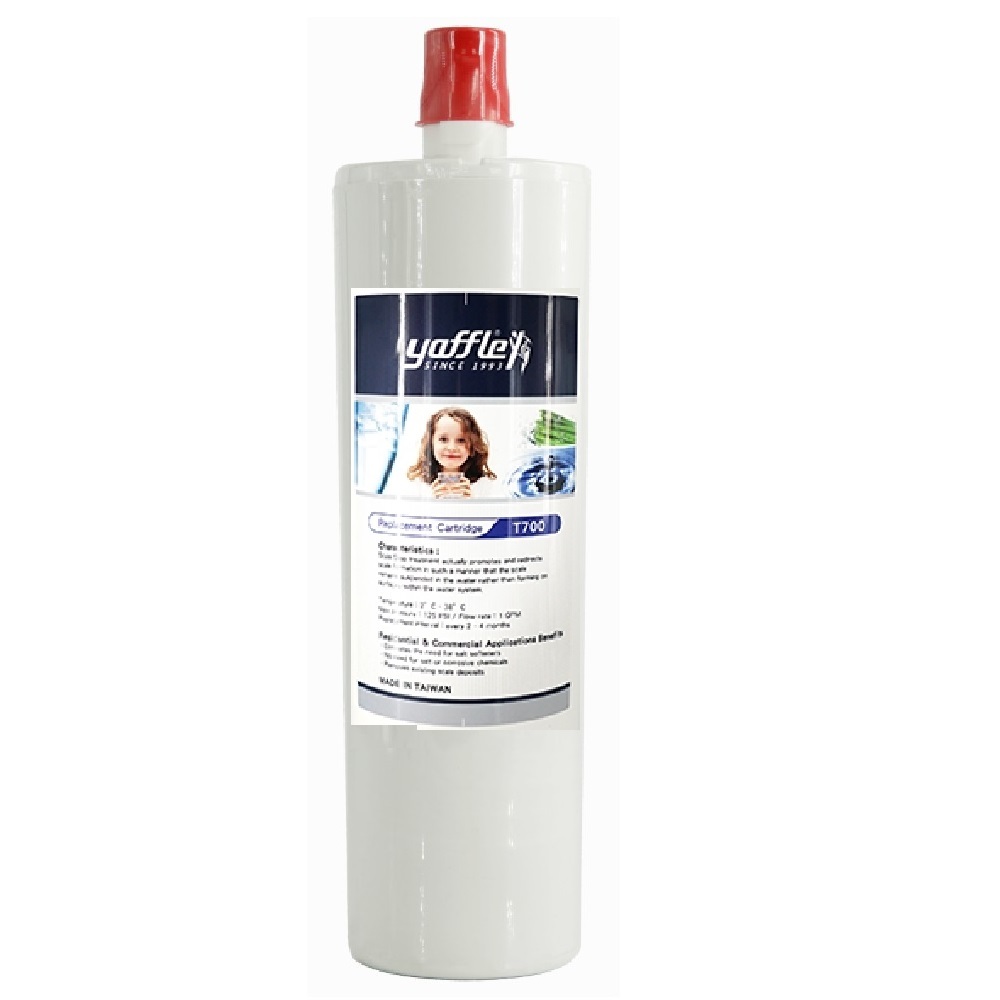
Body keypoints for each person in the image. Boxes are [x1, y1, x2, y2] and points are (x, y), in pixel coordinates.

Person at [406, 407, 496, 499]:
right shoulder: (417, 485)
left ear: (473, 446)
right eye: (443, 439)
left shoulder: (485, 485)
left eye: (461, 440)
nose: (452, 448)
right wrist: (431, 500)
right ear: (430, 444)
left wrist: (472, 501)